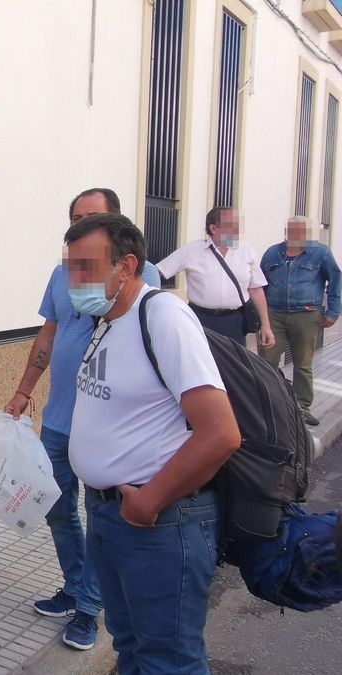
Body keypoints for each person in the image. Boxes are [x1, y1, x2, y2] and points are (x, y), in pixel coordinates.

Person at [65, 212, 240, 674]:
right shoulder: (105, 320)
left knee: (169, 661)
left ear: (125, 266)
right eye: (69, 267)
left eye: (84, 266)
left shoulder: (162, 315)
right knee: (131, 646)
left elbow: (221, 432)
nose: (73, 278)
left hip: (159, 522)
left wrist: (149, 502)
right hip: (107, 515)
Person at [5, 187, 161, 651]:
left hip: (106, 423)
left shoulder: (143, 278)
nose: (79, 223)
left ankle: (91, 608)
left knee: (99, 517)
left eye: (90, 216)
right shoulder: (61, 274)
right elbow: (48, 332)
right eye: (74, 216)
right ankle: (75, 586)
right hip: (59, 417)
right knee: (57, 509)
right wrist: (23, 390)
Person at [259, 216, 342, 427]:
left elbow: (335, 280)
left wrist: (333, 311)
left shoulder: (320, 253)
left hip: (306, 315)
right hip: (274, 315)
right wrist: (259, 316)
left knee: (302, 365)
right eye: (293, 230)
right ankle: (269, 405)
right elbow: (259, 284)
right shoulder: (272, 253)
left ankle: (301, 408)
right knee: (266, 363)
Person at [155, 207, 274, 348]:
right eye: (231, 225)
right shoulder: (192, 251)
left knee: (234, 367)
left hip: (235, 322)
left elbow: (256, 290)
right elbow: (157, 271)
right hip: (201, 320)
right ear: (214, 228)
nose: (237, 230)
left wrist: (266, 326)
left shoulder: (246, 251)